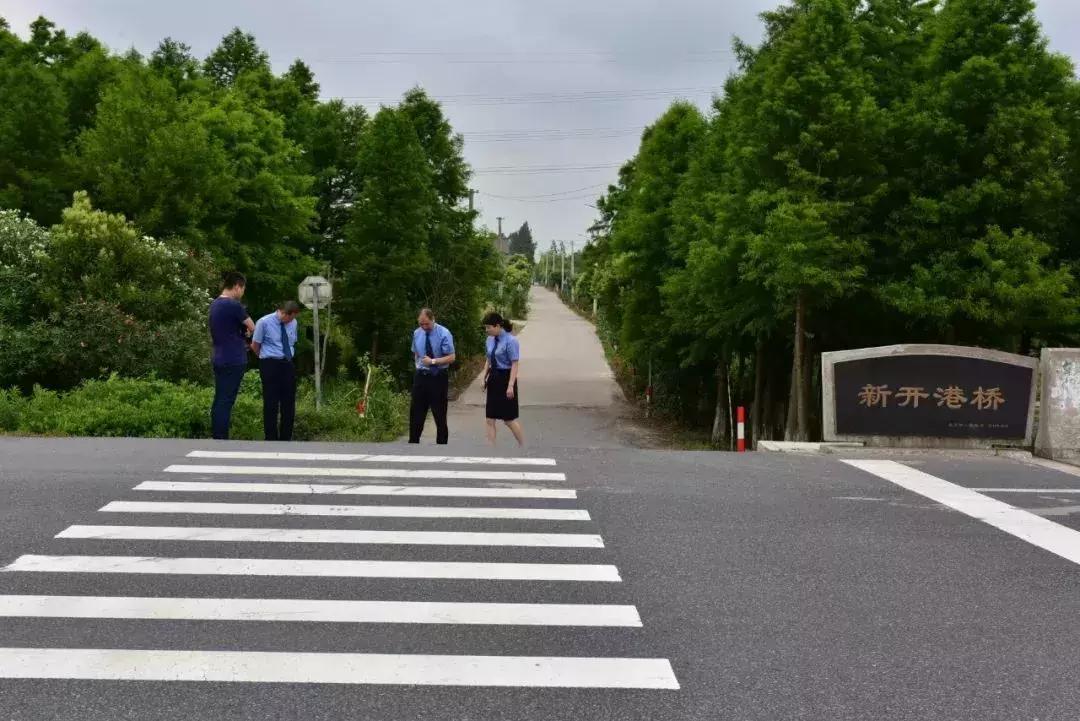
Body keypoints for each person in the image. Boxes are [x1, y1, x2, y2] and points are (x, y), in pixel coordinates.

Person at [208, 272, 254, 440]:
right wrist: (246, 332)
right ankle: (221, 438)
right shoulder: (234, 305)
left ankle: (216, 434)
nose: (242, 293)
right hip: (233, 358)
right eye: (242, 289)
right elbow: (253, 327)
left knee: (220, 398)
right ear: (237, 286)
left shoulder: (215, 304)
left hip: (219, 356)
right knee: (226, 400)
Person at [251, 301, 300, 442]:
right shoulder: (264, 322)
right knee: (271, 401)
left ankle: (286, 437)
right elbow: (255, 345)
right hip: (270, 363)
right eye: (290, 318)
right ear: (283, 313)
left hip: (287, 363)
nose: (291, 321)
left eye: (293, 319)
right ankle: (271, 438)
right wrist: (266, 357)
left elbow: (291, 342)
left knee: (289, 402)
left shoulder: (293, 323)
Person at [409, 308, 456, 444]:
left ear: (433, 319)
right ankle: (413, 442)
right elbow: (416, 353)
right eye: (421, 324)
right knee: (416, 411)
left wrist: (433, 361)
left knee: (439, 413)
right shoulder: (417, 333)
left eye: (427, 324)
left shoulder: (444, 333)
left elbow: (452, 357)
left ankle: (441, 444)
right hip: (421, 376)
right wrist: (419, 366)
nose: (424, 327)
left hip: (438, 377)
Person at [482, 311, 525, 447]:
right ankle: (491, 451)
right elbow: (488, 360)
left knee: (508, 419)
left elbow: (514, 363)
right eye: (486, 327)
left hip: (506, 378)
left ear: (498, 326)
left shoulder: (511, 341)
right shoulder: (489, 340)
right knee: (490, 418)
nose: (487, 330)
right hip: (493, 378)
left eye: (489, 327)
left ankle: (522, 446)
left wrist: (511, 385)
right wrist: (483, 378)